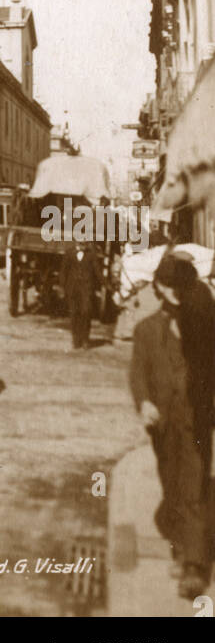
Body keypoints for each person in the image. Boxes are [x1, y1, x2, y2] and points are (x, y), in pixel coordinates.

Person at [129, 251, 215, 600]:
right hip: (162, 425)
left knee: (193, 486)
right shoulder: (146, 329)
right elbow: (138, 373)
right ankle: (181, 545)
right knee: (172, 485)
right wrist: (145, 402)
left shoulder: (204, 324)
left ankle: (194, 566)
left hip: (196, 420)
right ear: (160, 289)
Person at [60, 239, 102, 350]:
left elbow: (98, 271)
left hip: (86, 289)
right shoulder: (69, 253)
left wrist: (106, 285)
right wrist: (62, 287)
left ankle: (85, 340)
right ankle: (75, 340)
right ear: (76, 243)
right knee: (74, 313)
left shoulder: (91, 255)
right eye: (80, 243)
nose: (82, 245)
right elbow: (64, 271)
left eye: (84, 243)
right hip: (72, 289)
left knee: (86, 312)